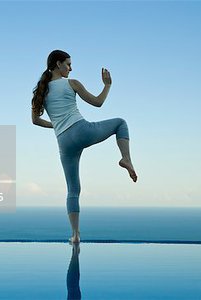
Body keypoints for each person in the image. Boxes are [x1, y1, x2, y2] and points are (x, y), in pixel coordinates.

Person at [31, 50, 137, 244]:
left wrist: (55, 125)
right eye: (68, 64)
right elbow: (98, 102)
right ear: (58, 64)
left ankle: (75, 235)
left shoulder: (41, 90)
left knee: (73, 190)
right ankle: (126, 159)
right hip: (81, 131)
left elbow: (35, 120)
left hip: (63, 141)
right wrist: (107, 85)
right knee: (120, 123)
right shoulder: (72, 83)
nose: (71, 68)